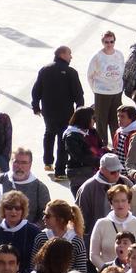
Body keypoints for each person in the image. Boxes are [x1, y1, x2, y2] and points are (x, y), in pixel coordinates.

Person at [30, 46, 84, 180]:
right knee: (63, 139)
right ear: (62, 54)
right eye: (69, 54)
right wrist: (80, 109)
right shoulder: (71, 72)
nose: (71, 57)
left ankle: (48, 162)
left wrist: (35, 106)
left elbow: (36, 89)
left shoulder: (45, 70)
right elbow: (78, 93)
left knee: (49, 133)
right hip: (66, 112)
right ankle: (60, 171)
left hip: (48, 110)